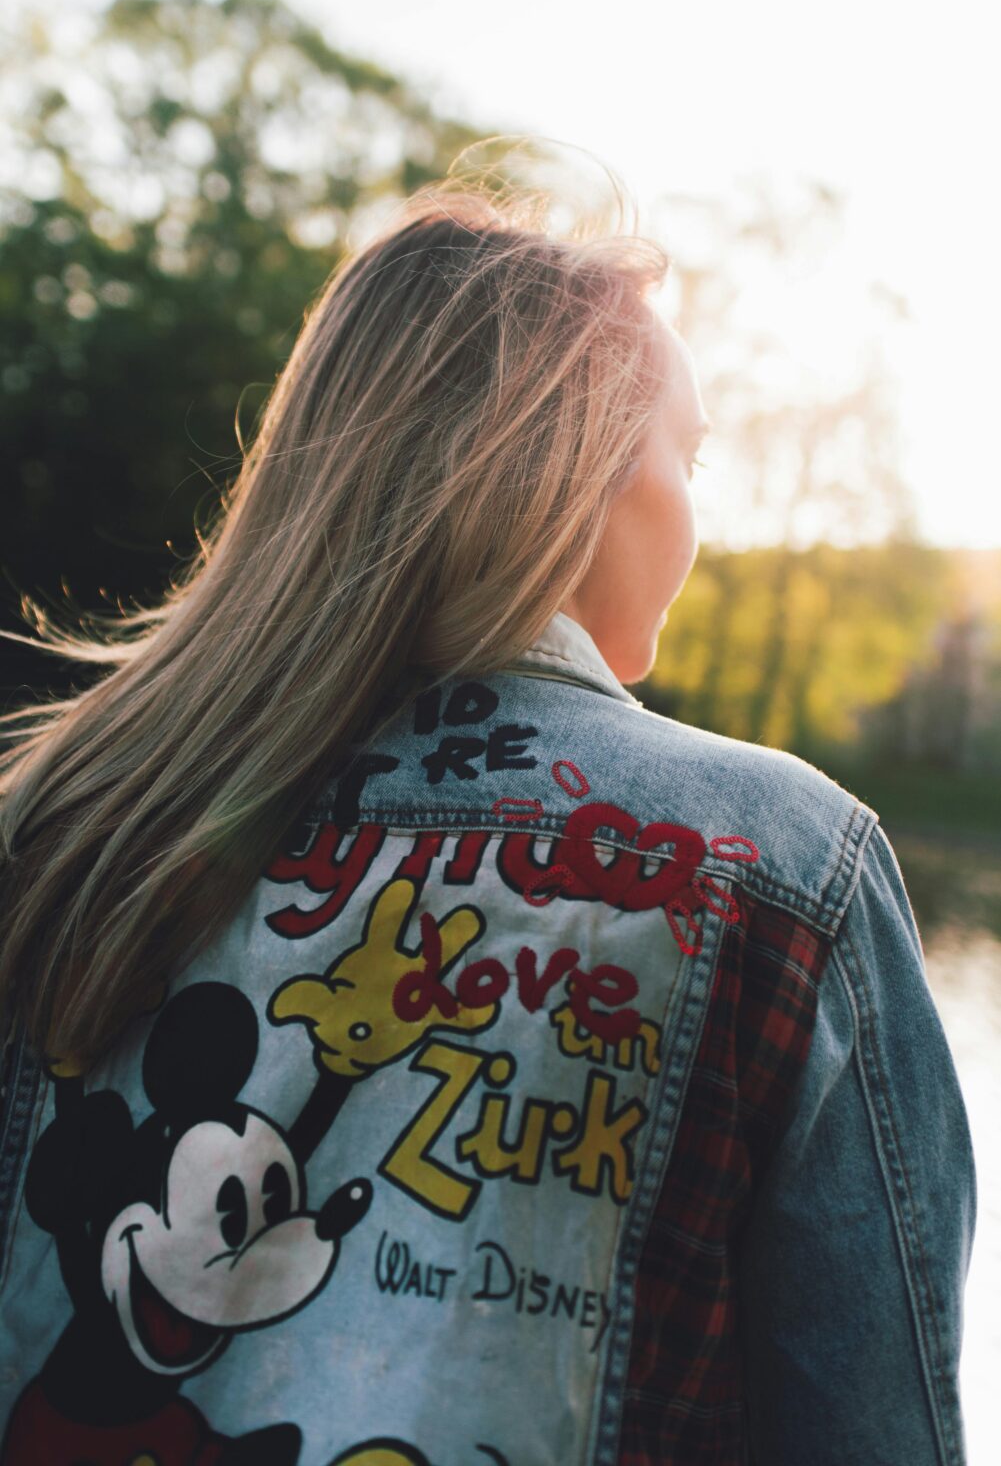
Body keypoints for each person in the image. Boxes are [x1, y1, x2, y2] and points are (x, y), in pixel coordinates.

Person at [0, 173, 975, 1466]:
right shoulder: (784, 867)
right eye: (686, 459)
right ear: (578, 467)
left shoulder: (62, 822)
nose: (695, 511)